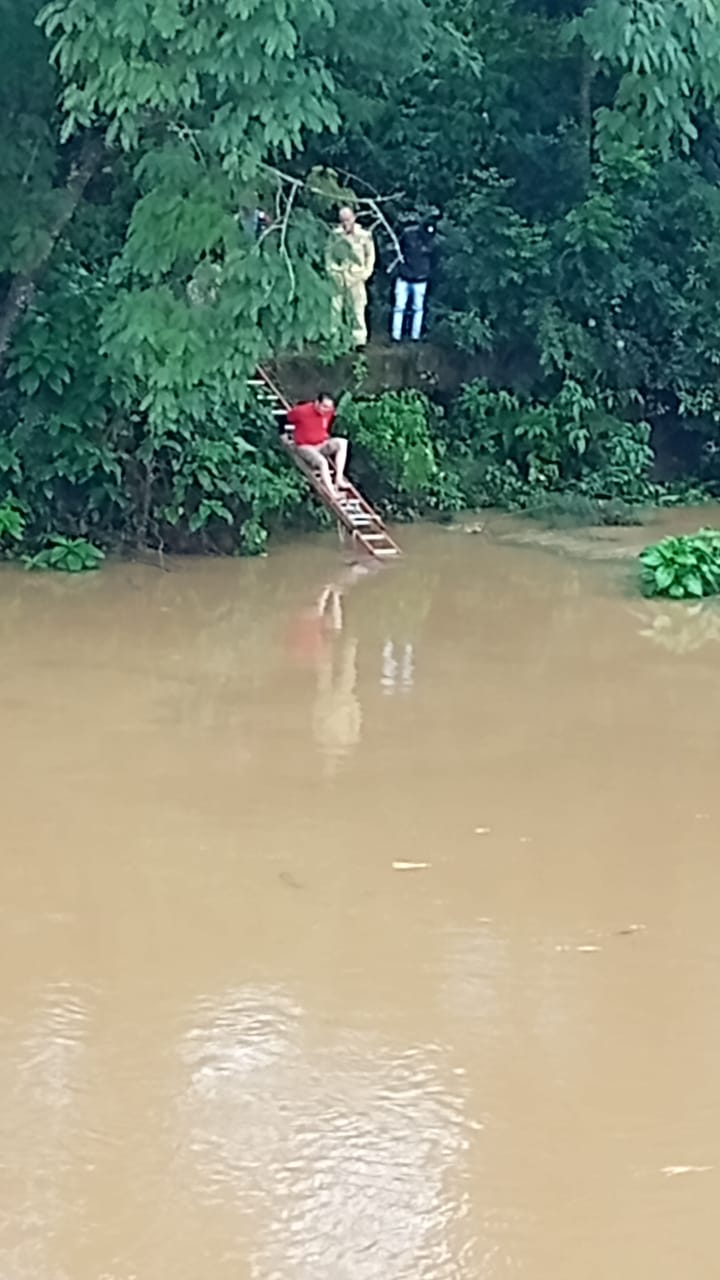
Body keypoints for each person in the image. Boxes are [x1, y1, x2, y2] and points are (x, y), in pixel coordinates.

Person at [284, 393, 350, 500]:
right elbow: (284, 419)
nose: (326, 410)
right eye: (324, 406)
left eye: (329, 408)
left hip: (321, 444)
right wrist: (284, 436)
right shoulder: (302, 411)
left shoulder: (328, 412)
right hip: (304, 446)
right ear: (317, 403)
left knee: (342, 442)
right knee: (323, 462)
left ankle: (339, 478)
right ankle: (332, 493)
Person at [326, 206, 376, 348]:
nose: (345, 223)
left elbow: (370, 255)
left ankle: (358, 340)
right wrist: (331, 270)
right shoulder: (335, 235)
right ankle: (335, 338)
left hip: (356, 277)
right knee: (335, 309)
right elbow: (328, 253)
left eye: (347, 220)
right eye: (342, 220)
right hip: (339, 277)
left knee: (357, 309)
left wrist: (366, 273)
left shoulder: (364, 236)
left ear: (353, 218)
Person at [391, 216, 439, 342]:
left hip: (421, 279)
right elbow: (397, 249)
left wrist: (427, 273)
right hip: (404, 277)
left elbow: (434, 260)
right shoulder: (408, 235)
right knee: (399, 307)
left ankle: (415, 336)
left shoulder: (433, 241)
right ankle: (396, 336)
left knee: (418, 308)